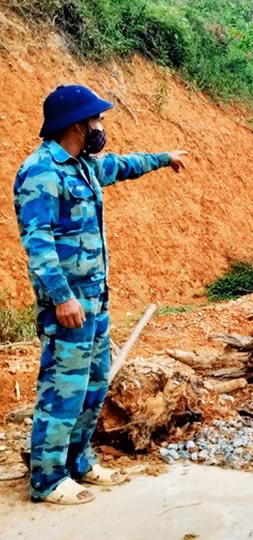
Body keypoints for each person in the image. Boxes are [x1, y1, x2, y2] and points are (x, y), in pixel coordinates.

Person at [13, 85, 188, 505]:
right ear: (76, 124)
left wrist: (164, 158)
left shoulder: (85, 166)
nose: (101, 125)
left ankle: (78, 463)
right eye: (96, 119)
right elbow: (38, 242)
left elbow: (123, 165)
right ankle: (47, 479)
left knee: (92, 385)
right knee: (63, 387)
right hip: (68, 304)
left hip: (95, 298)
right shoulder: (41, 172)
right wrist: (61, 297)